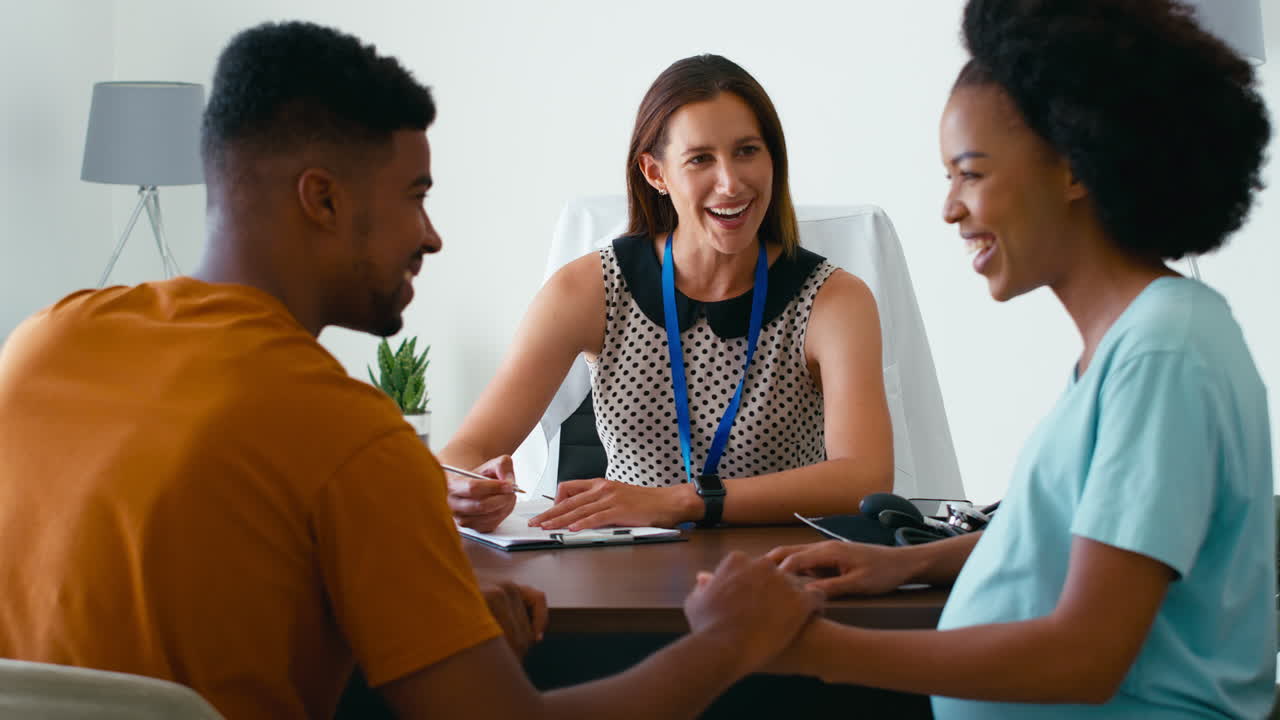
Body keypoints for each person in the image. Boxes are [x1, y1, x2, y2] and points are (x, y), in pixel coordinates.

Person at [0, 21, 822, 720]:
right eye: (414, 195)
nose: (431, 236)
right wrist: (729, 642)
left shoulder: (41, 343)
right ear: (323, 200)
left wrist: (430, 599)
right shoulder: (351, 438)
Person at [764, 0, 1276, 717]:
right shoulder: (1138, 341)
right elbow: (1070, 537)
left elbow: (1085, 658)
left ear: (1072, 168)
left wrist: (801, 648)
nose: (950, 208)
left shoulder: (1163, 355)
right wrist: (905, 562)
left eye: (970, 174)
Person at [441, 55, 893, 533]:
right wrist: (467, 487)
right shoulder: (587, 288)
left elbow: (865, 478)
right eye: (700, 159)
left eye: (747, 151)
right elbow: (465, 451)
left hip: (779, 564)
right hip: (627, 560)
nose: (730, 182)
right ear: (656, 173)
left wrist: (679, 502)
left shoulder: (834, 299)